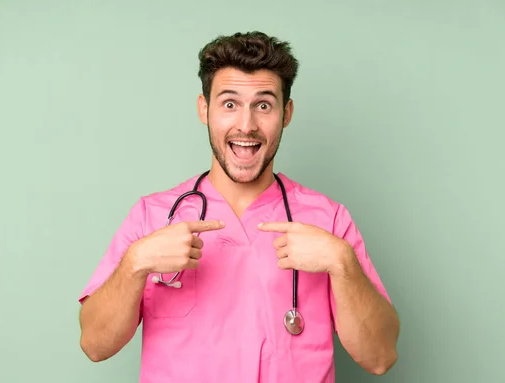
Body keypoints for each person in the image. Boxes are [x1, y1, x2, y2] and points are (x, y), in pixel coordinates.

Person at [78, 31, 400, 382]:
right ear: (204, 108)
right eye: (229, 104)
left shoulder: (329, 221)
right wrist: (135, 264)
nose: (246, 125)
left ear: (286, 113)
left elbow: (380, 357)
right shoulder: (152, 216)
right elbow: (95, 345)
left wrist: (342, 263)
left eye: (264, 105)